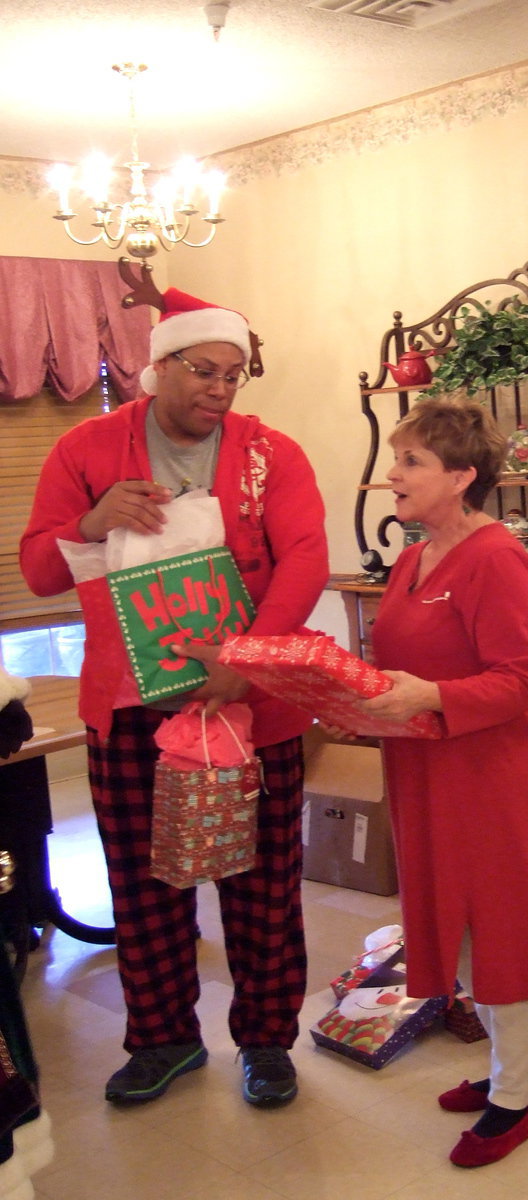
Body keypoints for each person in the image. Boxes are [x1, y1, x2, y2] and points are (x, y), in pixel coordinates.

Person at [18, 288, 329, 1109]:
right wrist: (88, 522)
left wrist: (247, 660)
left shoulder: (272, 456)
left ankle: (266, 1043)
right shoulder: (87, 449)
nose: (219, 391)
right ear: (156, 367)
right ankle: (162, 1041)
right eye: (201, 372)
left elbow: (305, 558)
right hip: (130, 711)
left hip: (253, 710)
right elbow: (41, 571)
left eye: (233, 375)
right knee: (144, 883)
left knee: (262, 885)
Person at [357, 395, 528, 1168]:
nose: (393, 474)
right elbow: (402, 656)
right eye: (397, 458)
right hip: (427, 768)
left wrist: (431, 696)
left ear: (463, 476)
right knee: (460, 922)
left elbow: (520, 685)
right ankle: (521, 1073)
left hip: (490, 775)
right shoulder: (415, 555)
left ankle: (514, 1103)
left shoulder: (497, 557)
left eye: (411, 462)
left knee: (502, 926)